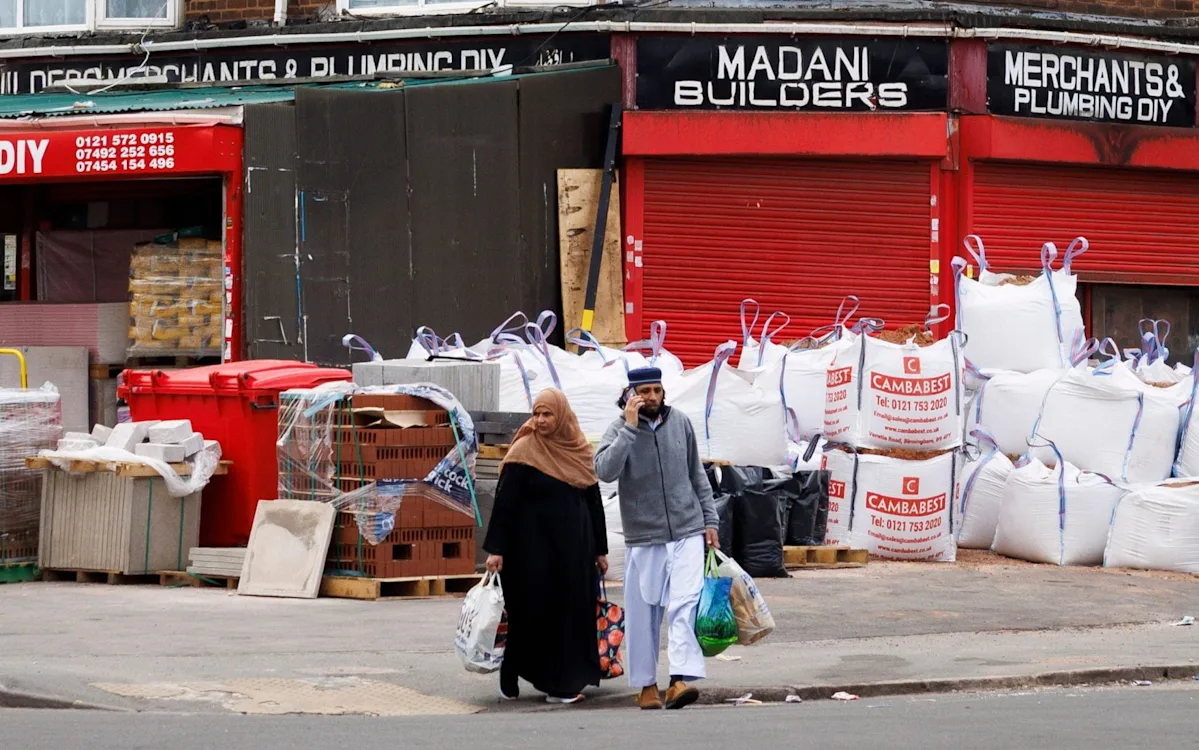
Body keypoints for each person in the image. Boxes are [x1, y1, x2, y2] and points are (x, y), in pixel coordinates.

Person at [594, 366, 719, 711]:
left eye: (656, 391)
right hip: (644, 535)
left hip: (687, 528)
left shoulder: (680, 423)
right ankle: (646, 684)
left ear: (664, 392)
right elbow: (604, 471)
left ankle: (680, 679)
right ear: (631, 395)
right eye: (643, 391)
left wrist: (710, 521)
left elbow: (697, 474)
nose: (650, 397)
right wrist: (629, 430)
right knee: (643, 611)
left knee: (685, 603)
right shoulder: (619, 429)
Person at [483, 388, 608, 705]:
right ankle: (512, 674)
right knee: (530, 615)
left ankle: (561, 684)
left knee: (569, 615)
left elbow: (594, 502)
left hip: (574, 553)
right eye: (536, 413)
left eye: (547, 414)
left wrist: (600, 550)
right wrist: (496, 549)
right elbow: (505, 504)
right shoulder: (524, 451)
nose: (540, 420)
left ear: (562, 415)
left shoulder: (578, 450)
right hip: (531, 553)